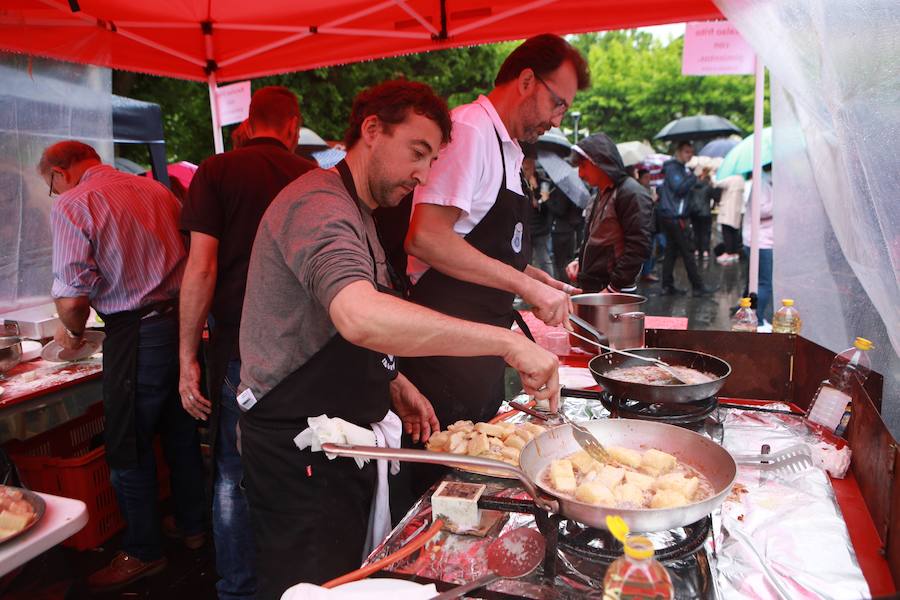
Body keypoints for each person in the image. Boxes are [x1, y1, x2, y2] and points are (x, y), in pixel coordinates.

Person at [236, 80, 560, 599]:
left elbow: (335, 326)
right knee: (311, 589)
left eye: (433, 161)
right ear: (371, 130)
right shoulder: (317, 205)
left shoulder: (360, 211)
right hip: (298, 450)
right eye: (417, 153)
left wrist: (393, 378)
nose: (425, 175)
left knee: (351, 579)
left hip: (340, 437)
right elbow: (358, 314)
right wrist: (507, 343)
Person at [400, 33, 589, 432]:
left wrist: (541, 280)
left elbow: (486, 244)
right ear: (525, 81)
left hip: (482, 346)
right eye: (558, 104)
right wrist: (527, 285)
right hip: (442, 350)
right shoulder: (469, 130)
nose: (557, 120)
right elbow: (427, 238)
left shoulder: (509, 149)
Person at [39, 141, 205, 592]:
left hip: (135, 335)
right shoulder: (155, 191)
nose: (54, 193)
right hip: (180, 324)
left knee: (126, 446)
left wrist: (71, 330)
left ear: (60, 172)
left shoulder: (76, 203)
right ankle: (192, 527)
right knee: (180, 432)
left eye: (50, 185)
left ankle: (144, 551)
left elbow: (73, 298)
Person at [178, 86, 316, 600]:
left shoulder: (216, 172)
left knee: (235, 474)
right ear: (292, 126)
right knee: (306, 464)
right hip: (310, 354)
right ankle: (301, 584)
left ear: (249, 122)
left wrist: (186, 356)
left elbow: (202, 268)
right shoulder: (313, 178)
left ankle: (238, 590)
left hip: (241, 349)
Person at [564, 133, 653, 293]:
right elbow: (594, 236)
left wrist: (614, 288)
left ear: (598, 163)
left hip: (613, 291)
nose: (580, 174)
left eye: (583, 166)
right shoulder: (601, 192)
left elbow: (639, 246)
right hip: (596, 286)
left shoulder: (631, 193)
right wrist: (580, 261)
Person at [657, 141, 716, 296]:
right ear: (678, 152)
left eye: (691, 152)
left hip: (672, 215)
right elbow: (680, 188)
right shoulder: (673, 168)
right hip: (674, 216)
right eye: (686, 151)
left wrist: (695, 177)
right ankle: (697, 286)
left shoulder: (680, 168)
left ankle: (667, 285)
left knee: (671, 251)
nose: (689, 155)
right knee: (687, 251)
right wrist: (693, 176)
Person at [742, 165, 775, 324]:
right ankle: (757, 320)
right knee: (764, 283)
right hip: (760, 242)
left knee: (753, 281)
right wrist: (780, 203)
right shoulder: (762, 183)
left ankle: (746, 314)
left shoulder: (768, 181)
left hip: (762, 239)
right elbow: (759, 210)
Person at [688, 163, 719, 262]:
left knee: (696, 231)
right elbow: (716, 197)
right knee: (706, 232)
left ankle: (696, 250)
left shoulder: (691, 187)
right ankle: (705, 251)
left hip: (694, 212)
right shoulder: (708, 186)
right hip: (705, 212)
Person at [715, 174, 744, 264]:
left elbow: (717, 184)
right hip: (736, 210)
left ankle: (728, 253)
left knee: (727, 232)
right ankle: (734, 253)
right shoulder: (741, 180)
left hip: (727, 210)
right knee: (734, 232)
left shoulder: (731, 179)